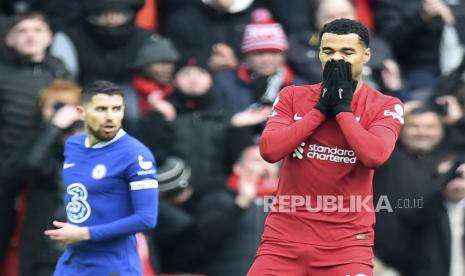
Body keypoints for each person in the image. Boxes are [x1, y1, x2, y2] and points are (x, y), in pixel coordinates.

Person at [247, 18, 404, 275]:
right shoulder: (292, 95)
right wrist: (320, 109)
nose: (337, 59)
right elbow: (270, 150)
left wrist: (342, 111)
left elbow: (374, 155)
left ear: (366, 56)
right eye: (328, 51)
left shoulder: (385, 105)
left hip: (346, 246)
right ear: (319, 53)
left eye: (347, 52)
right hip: (283, 242)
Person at [44, 80, 159, 276]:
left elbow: (146, 219)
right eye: (101, 109)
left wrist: (85, 233)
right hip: (72, 263)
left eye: (116, 109)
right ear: (82, 113)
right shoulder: (73, 145)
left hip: (113, 267)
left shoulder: (135, 154)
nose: (110, 117)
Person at [0, 11, 69, 262]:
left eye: (37, 30)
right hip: (5, 173)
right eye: (22, 31)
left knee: (38, 253)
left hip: (44, 174)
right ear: (8, 39)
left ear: (49, 37)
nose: (30, 36)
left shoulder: (61, 73)